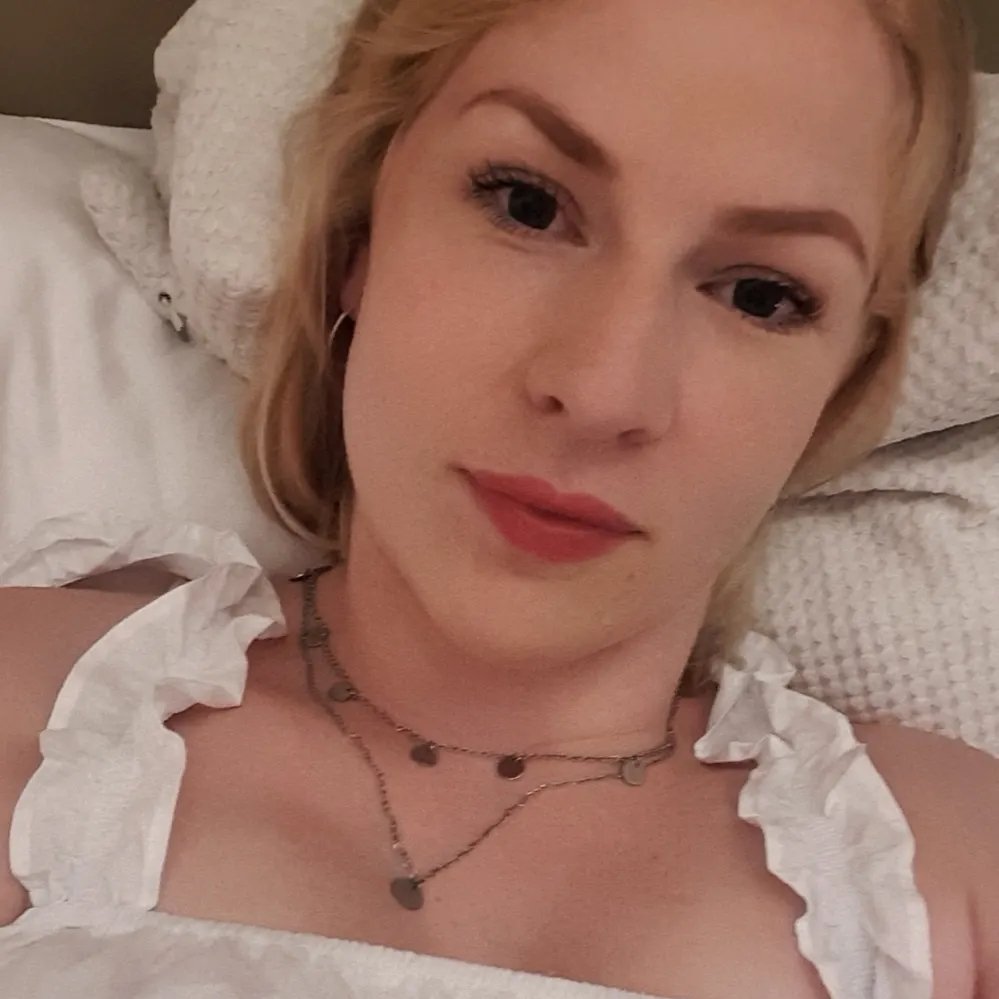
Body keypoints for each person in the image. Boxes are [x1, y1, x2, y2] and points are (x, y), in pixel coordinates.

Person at [1, 0, 997, 996]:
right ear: (358, 237)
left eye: (760, 295)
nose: (603, 391)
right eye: (526, 204)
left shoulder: (946, 878)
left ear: (838, 390)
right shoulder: (38, 721)